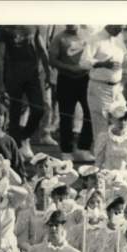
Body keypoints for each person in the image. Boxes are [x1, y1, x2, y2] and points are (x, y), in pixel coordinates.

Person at [0, 26, 51, 158]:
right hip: (13, 75)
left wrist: (48, 72)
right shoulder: (5, 28)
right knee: (15, 112)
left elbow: (42, 49)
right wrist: (0, 82)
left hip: (33, 75)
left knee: (39, 109)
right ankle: (16, 149)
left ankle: (24, 136)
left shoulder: (33, 26)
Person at [79, 25, 127, 153]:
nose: (121, 30)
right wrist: (101, 64)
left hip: (117, 88)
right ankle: (101, 163)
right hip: (99, 87)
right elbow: (83, 62)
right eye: (119, 26)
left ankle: (116, 157)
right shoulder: (95, 38)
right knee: (101, 127)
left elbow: (124, 61)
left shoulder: (118, 39)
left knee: (122, 121)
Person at [49, 25, 94, 161]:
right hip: (66, 80)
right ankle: (66, 151)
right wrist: (69, 68)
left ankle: (83, 148)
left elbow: (93, 55)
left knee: (89, 113)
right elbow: (52, 60)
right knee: (66, 116)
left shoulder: (87, 34)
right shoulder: (59, 38)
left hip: (85, 79)